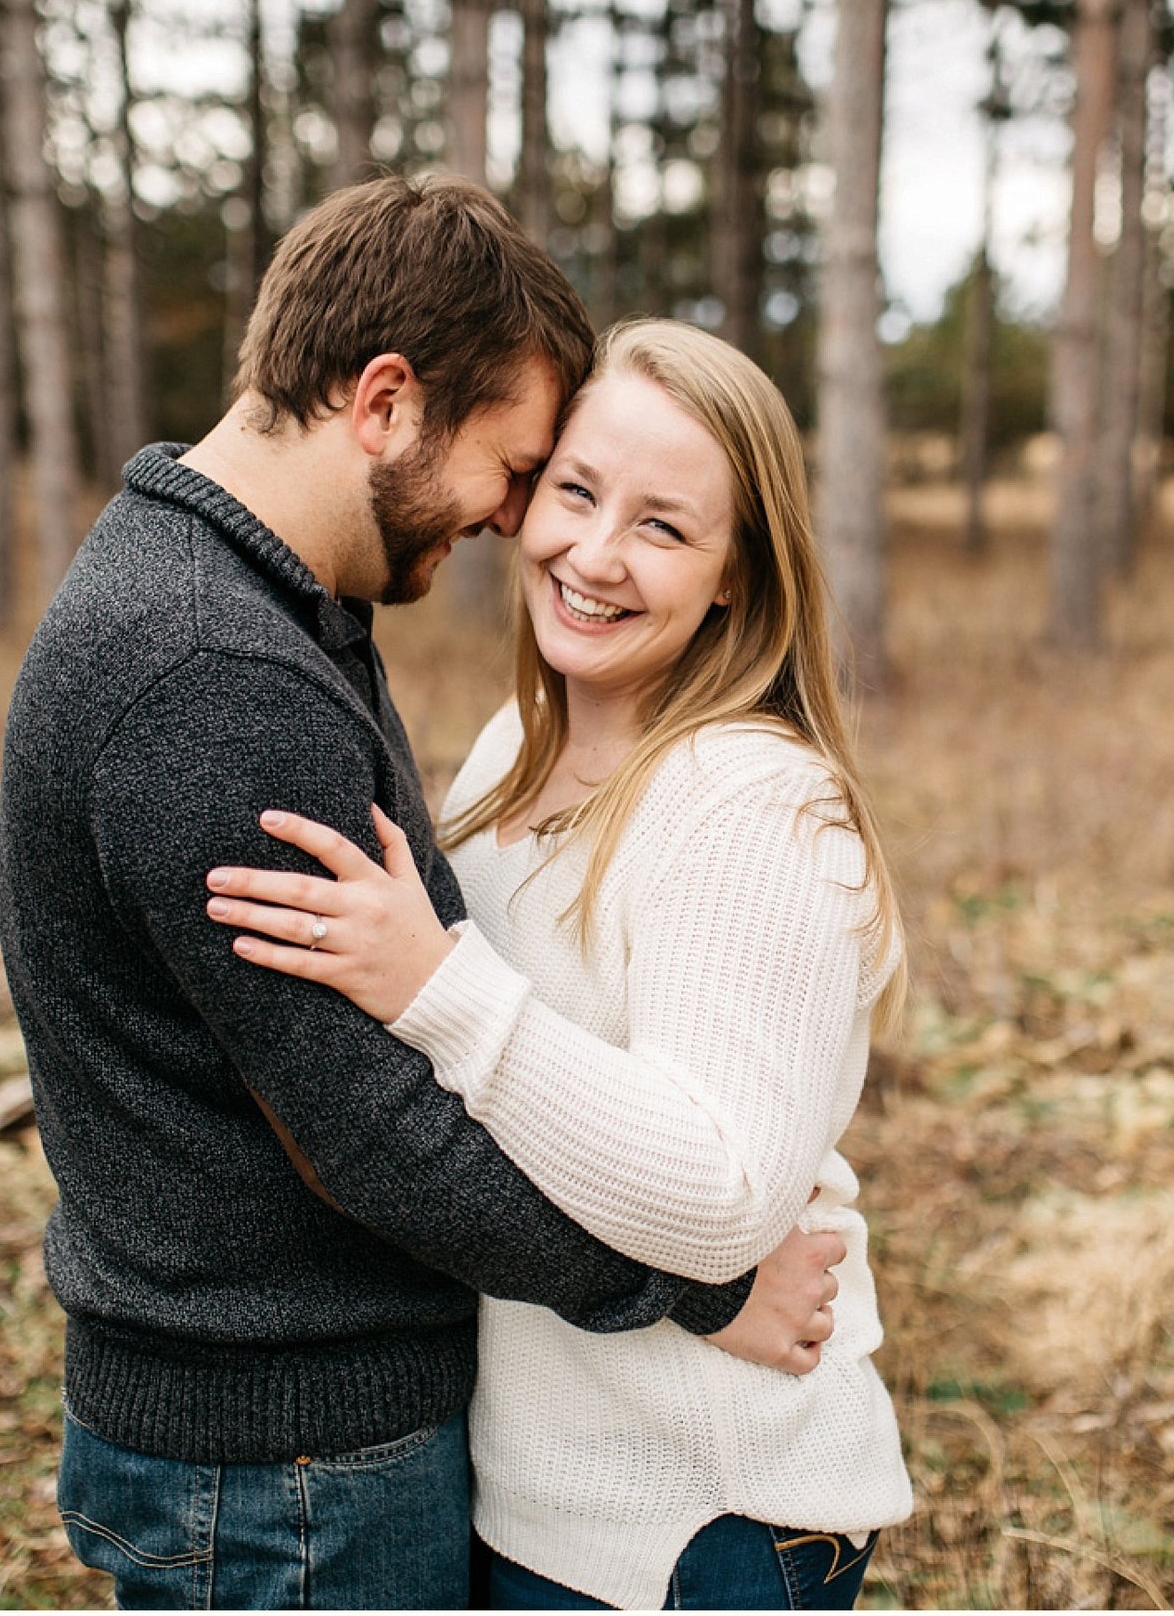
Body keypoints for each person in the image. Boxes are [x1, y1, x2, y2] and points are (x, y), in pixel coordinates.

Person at [0, 179, 844, 1611]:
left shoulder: (253, 603)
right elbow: (369, 1129)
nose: (523, 522)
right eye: (525, 470)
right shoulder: (218, 674)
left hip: (293, 1438)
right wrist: (700, 1288)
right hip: (291, 1460)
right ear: (386, 402)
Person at [204, 318, 915, 1609]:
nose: (593, 555)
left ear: (735, 583)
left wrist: (444, 990)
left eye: (662, 526)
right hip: (542, 1493)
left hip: (700, 1522)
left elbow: (722, 1196)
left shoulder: (751, 807)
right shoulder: (504, 760)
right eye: (577, 493)